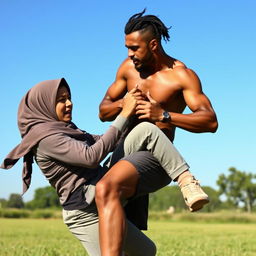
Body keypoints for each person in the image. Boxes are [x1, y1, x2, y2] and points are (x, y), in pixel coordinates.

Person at [1, 78, 205, 256]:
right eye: (61, 100)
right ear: (43, 104)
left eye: (69, 97)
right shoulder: (45, 138)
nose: (69, 103)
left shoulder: (66, 129)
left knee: (145, 129)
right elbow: (91, 156)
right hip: (84, 212)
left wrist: (133, 111)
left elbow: (104, 141)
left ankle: (187, 182)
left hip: (101, 188)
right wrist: (123, 114)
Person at [97, 9, 218, 255]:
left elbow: (210, 121)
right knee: (124, 231)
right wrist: (125, 103)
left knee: (106, 189)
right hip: (123, 154)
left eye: (134, 48)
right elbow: (103, 110)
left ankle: (186, 180)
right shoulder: (128, 69)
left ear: (153, 44)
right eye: (127, 48)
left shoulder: (180, 76)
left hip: (156, 158)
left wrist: (162, 115)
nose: (129, 55)